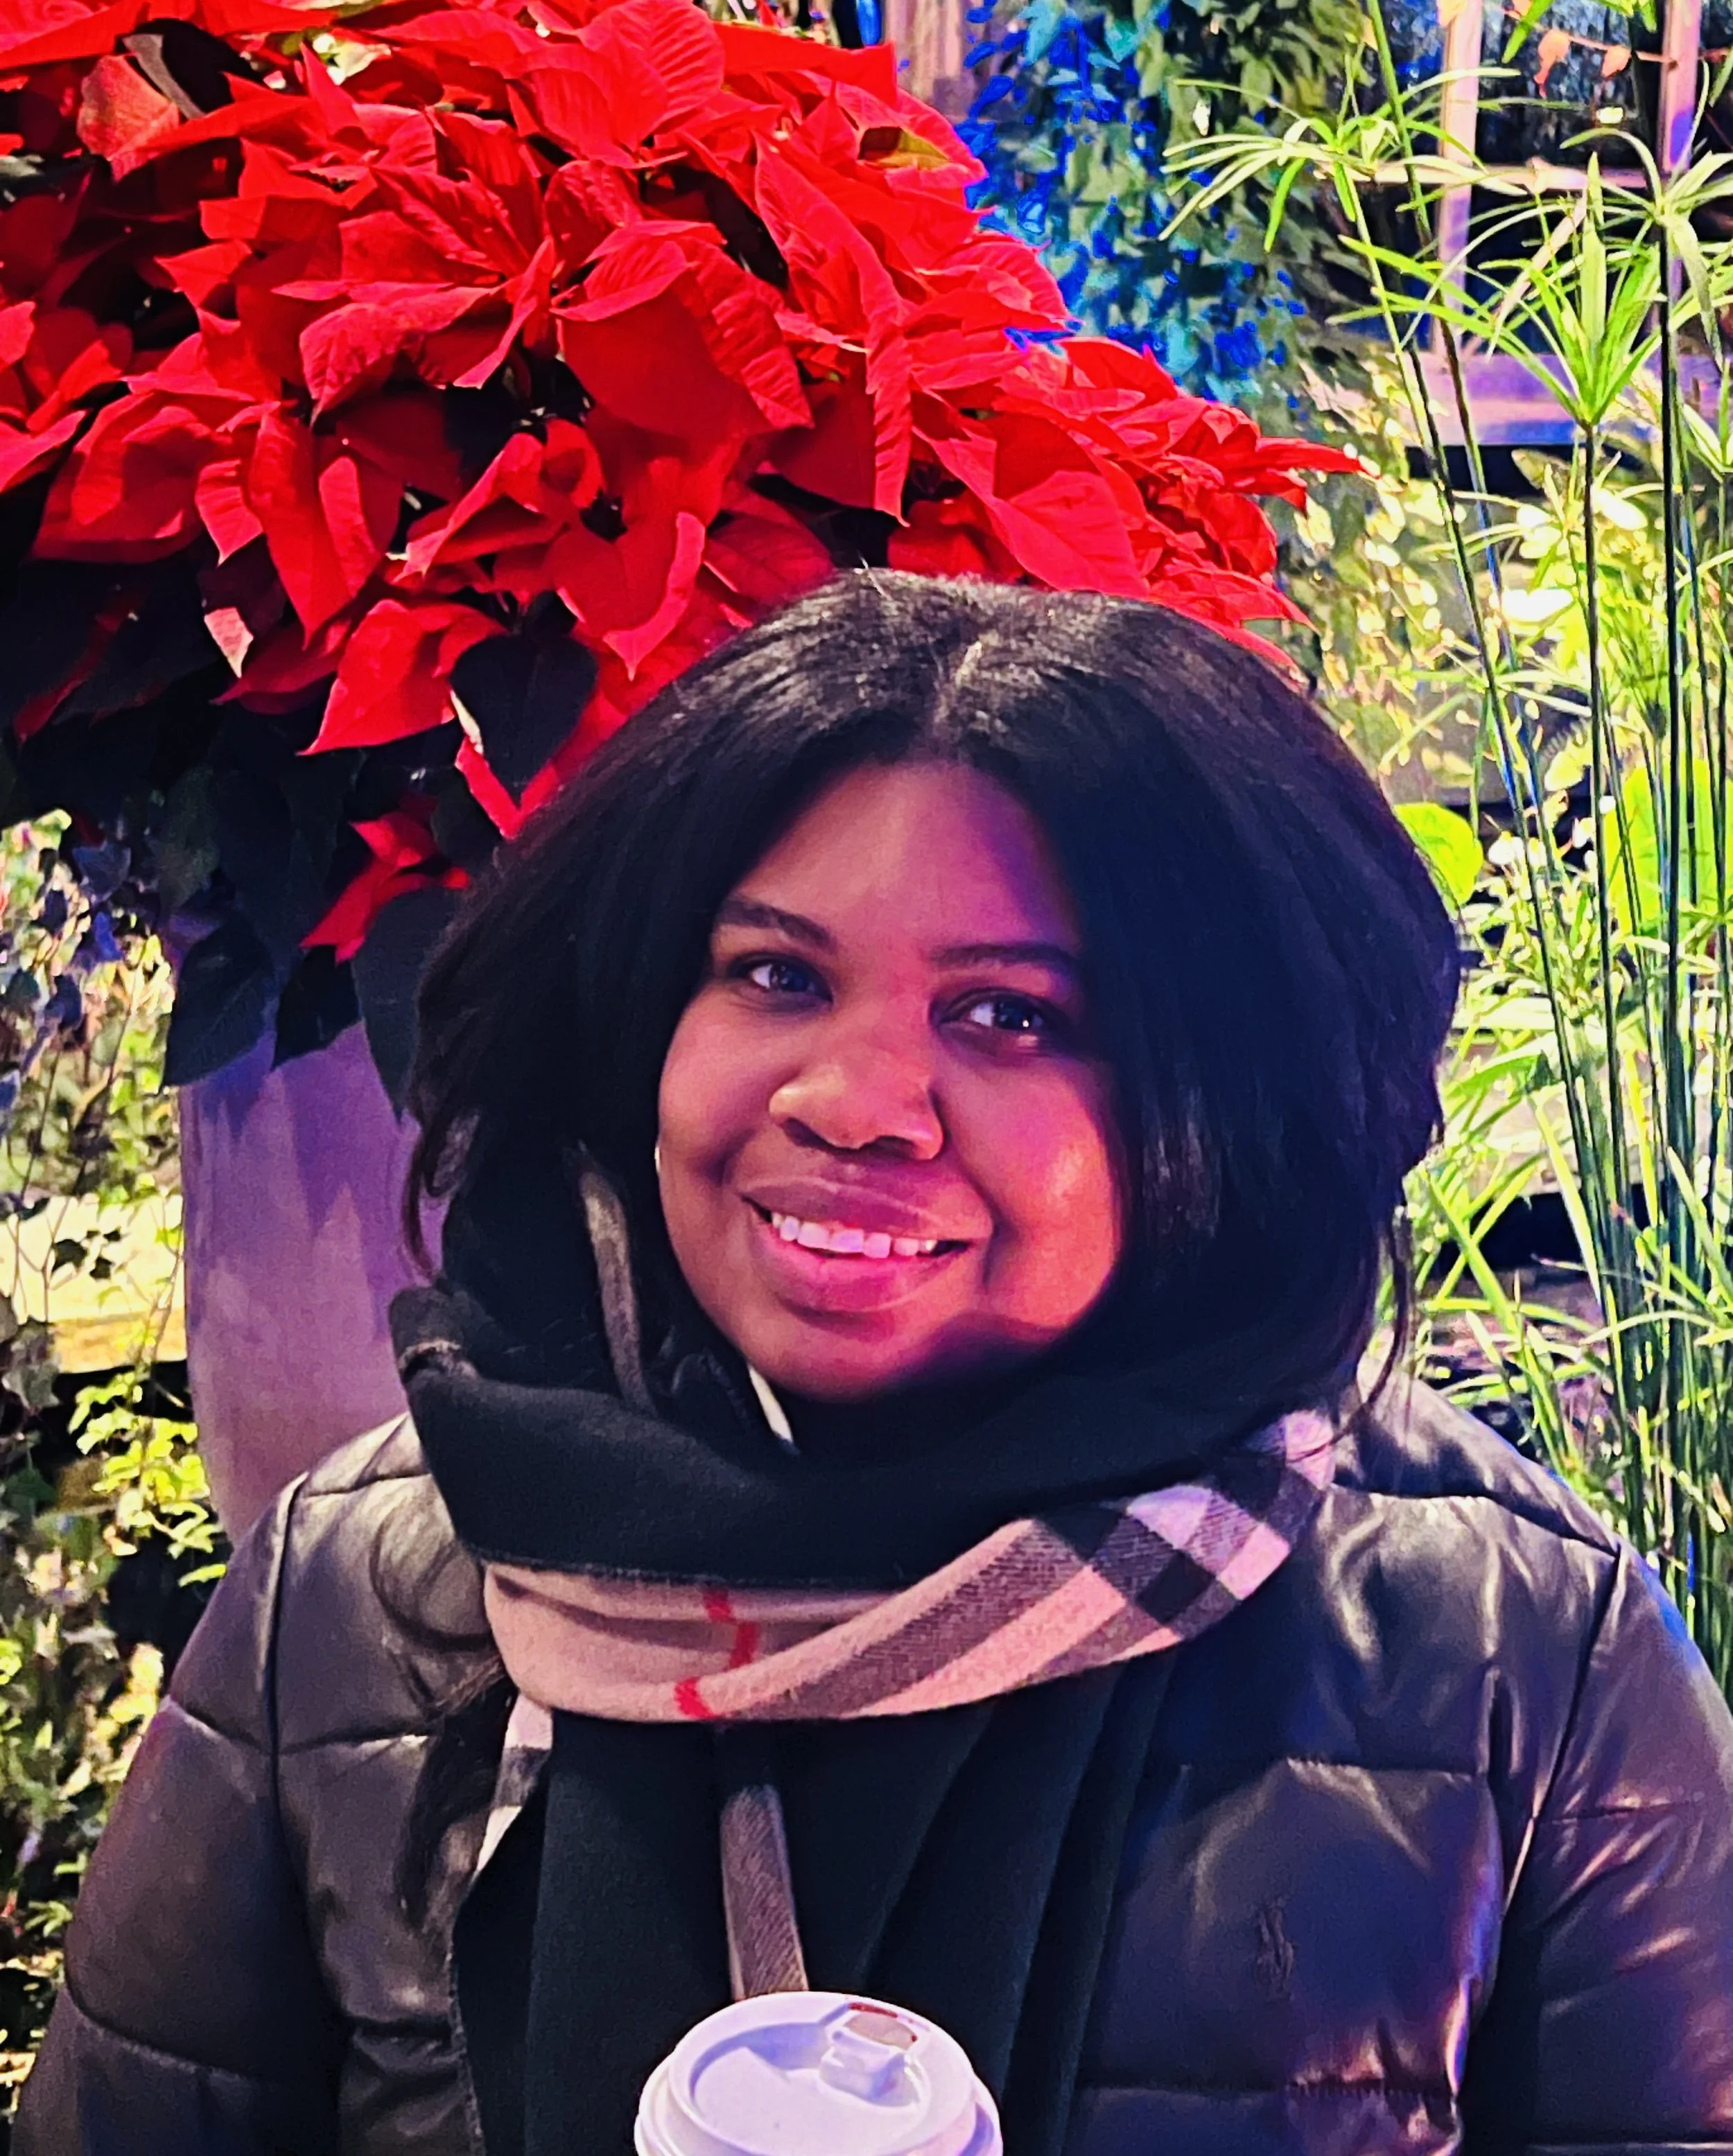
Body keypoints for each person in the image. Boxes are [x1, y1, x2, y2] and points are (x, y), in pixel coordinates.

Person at [17, 573, 1733, 2156]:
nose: (849, 1101)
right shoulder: (367, 1584)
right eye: (774, 973)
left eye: (1009, 1015)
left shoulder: (1511, 1645)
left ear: (1222, 1116)